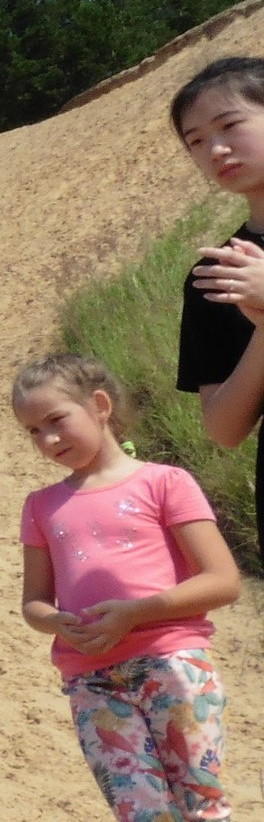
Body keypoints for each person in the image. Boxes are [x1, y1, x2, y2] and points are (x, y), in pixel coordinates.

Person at [13, 352, 261, 822]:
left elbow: (222, 581)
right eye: (31, 432)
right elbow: (34, 602)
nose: (47, 441)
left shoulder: (164, 483)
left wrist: (133, 613)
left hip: (175, 667)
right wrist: (54, 621)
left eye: (56, 421)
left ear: (99, 404)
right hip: (92, 682)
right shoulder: (43, 506)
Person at [173, 58, 264, 502]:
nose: (216, 150)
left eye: (229, 125)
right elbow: (225, 429)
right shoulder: (216, 276)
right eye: (197, 142)